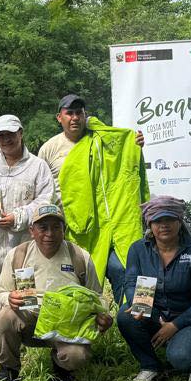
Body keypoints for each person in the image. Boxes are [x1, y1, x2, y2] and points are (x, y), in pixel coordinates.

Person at [38, 93, 146, 304]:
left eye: (79, 113)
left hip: (105, 225)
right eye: (69, 113)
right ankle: (79, 321)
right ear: (59, 117)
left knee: (120, 269)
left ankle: (128, 318)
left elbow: (122, 155)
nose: (75, 118)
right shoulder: (49, 149)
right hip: (69, 228)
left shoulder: (102, 139)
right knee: (75, 280)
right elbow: (42, 189)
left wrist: (134, 144)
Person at [0, 202, 110, 381]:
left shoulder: (80, 256)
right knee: (6, 316)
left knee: (77, 356)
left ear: (64, 230)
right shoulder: (18, 255)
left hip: (68, 326)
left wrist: (104, 315)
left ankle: (61, 368)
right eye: (43, 227)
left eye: (56, 227)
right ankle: (8, 370)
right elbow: (1, 291)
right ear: (32, 231)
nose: (50, 233)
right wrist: (9, 298)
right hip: (30, 319)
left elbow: (97, 295)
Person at [0, 114, 55, 351]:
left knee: (23, 288)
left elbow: (46, 200)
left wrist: (19, 216)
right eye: (1, 135)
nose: (6, 139)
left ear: (21, 133)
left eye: (11, 134)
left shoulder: (38, 166)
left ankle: (21, 335)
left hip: (22, 242)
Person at [116, 196, 191, 381]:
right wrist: (139, 305)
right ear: (150, 224)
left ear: (179, 222)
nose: (164, 225)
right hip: (157, 314)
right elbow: (131, 282)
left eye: (169, 219)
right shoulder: (138, 249)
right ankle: (150, 366)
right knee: (126, 315)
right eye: (158, 220)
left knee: (180, 357)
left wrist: (175, 325)